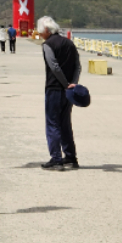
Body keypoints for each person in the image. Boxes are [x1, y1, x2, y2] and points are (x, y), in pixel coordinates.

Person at [37, 16, 81, 171]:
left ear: (47, 30)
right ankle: (70, 157)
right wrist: (72, 84)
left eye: (41, 31)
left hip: (54, 89)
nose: (40, 34)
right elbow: (77, 65)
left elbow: (54, 67)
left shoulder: (47, 45)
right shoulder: (69, 43)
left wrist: (65, 84)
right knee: (65, 124)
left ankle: (56, 159)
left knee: (53, 124)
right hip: (68, 92)